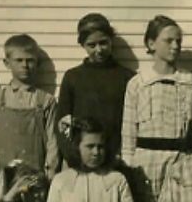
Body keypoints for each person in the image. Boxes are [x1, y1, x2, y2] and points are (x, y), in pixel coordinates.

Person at [120, 15, 192, 202]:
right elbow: (128, 131)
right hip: (146, 162)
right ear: (151, 44)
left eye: (179, 41)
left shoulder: (190, 81)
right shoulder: (138, 83)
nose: (175, 46)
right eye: (169, 40)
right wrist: (130, 166)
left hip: (179, 160)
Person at [55, 13, 136, 157]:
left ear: (111, 40)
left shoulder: (127, 78)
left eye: (103, 43)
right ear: (82, 45)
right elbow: (62, 123)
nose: (99, 50)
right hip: (80, 158)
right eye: (91, 45)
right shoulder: (73, 77)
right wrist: (72, 155)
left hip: (116, 157)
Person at [0, 34, 60, 178]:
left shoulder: (46, 100)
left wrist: (50, 173)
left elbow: (53, 141)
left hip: (35, 172)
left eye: (30, 60)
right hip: (2, 172)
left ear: (37, 63)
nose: (24, 65)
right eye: (19, 60)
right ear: (7, 63)